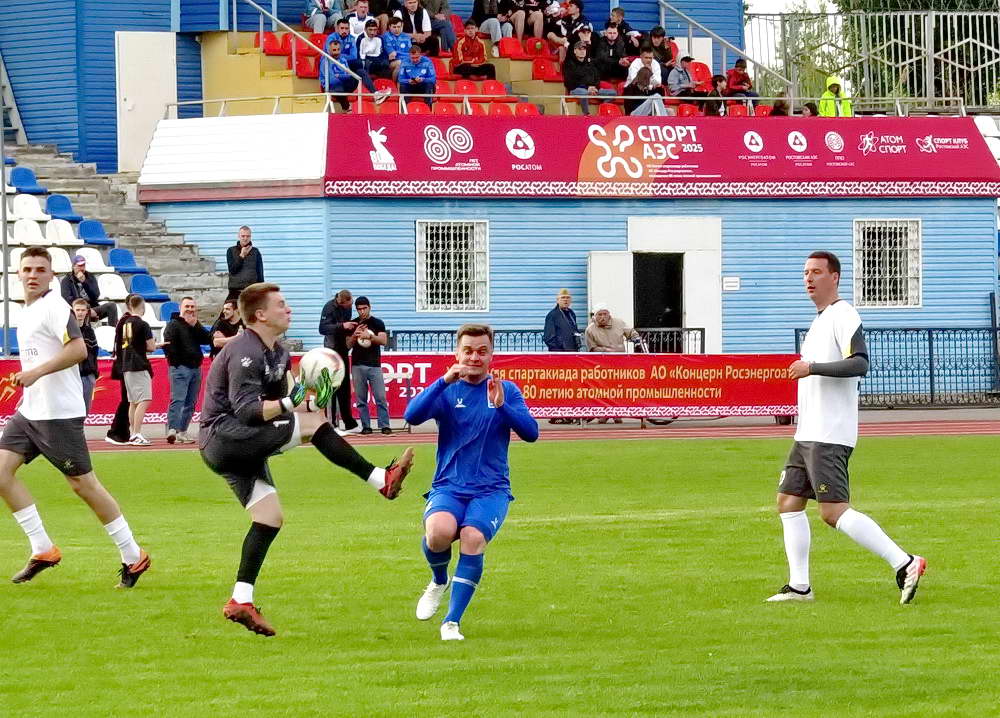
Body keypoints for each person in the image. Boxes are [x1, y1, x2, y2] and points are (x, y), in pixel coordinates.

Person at [200, 282, 415, 636]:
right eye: (281, 304)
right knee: (314, 425)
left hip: (238, 443)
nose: (289, 310)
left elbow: (283, 407)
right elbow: (250, 411)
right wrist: (295, 402)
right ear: (260, 315)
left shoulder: (278, 352)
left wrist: (311, 400)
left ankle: (241, 599)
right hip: (225, 437)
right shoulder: (244, 350)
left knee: (269, 518)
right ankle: (381, 480)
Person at [768, 251, 925, 605]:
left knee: (832, 511)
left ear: (834, 277)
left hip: (829, 433)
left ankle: (905, 562)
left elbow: (859, 363)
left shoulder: (844, 314)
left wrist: (812, 367)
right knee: (788, 502)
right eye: (805, 272)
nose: (809, 279)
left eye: (816, 272)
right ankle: (800, 587)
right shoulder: (819, 320)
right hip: (807, 433)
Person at [0, 246, 150, 587]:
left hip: (58, 414)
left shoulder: (55, 307)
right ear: (18, 273)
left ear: (51, 275)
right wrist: (32, 383)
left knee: (84, 485)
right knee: (1, 474)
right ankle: (43, 549)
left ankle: (133, 555)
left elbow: (78, 349)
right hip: (31, 411)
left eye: (40, 269)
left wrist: (36, 373)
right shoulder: (28, 310)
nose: (33, 275)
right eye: (28, 269)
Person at [405, 324, 538, 641]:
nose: (475, 357)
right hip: (449, 485)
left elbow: (531, 433)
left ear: (491, 355)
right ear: (457, 354)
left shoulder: (506, 390)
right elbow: (411, 416)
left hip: (491, 490)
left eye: (482, 351)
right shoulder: (447, 390)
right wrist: (442, 381)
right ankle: (439, 580)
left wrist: (503, 405)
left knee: (472, 537)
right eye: (468, 351)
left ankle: (451, 622)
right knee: (438, 534)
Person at [163, 296, 212, 445]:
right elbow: (168, 344)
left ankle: (182, 431)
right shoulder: (173, 324)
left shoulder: (195, 325)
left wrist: (195, 325)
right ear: (180, 308)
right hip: (180, 368)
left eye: (192, 307)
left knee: (190, 402)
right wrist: (176, 363)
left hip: (195, 368)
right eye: (187, 306)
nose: (190, 309)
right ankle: (172, 429)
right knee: (178, 399)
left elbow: (207, 339)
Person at [318, 289, 361, 435]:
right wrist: (342, 326)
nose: (350, 307)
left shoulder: (347, 307)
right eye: (348, 305)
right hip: (331, 351)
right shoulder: (329, 307)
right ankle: (332, 424)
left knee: (345, 388)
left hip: (342, 350)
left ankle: (348, 422)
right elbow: (322, 328)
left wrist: (353, 328)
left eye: (351, 304)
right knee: (332, 387)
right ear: (341, 302)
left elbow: (345, 328)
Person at [347, 296, 391, 435]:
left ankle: (385, 425)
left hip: (374, 365)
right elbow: (347, 345)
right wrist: (355, 335)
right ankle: (366, 426)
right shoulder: (353, 323)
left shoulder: (377, 323)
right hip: (357, 364)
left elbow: (383, 341)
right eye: (359, 309)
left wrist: (370, 336)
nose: (362, 312)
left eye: (364, 308)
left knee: (380, 397)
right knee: (361, 399)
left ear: (369, 307)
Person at [120, 293, 156, 447]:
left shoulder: (126, 322)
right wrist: (156, 344)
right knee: (144, 399)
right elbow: (151, 346)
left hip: (127, 364)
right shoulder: (143, 324)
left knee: (133, 401)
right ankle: (136, 433)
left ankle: (133, 433)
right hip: (139, 364)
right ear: (142, 306)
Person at [60, 254, 118, 326]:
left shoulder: (90, 277)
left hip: (93, 308)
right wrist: (86, 309)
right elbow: (67, 299)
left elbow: (95, 295)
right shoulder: (67, 280)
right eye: (79, 266)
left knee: (111, 306)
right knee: (79, 312)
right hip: (77, 310)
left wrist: (84, 283)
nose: (81, 268)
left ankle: (112, 330)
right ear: (73, 266)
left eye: (83, 265)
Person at [563, 41, 615, 115]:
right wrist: (587, 88)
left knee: (613, 93)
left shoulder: (590, 63)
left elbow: (597, 77)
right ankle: (586, 114)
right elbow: (569, 81)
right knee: (584, 93)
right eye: (580, 49)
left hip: (592, 89)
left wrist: (594, 87)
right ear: (575, 51)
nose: (582, 51)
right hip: (576, 89)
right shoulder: (569, 64)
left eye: (584, 49)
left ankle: (601, 110)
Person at [71, 298, 99, 415]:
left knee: (85, 409)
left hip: (87, 375)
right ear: (73, 311)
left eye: (83, 310)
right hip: (71, 375)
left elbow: (94, 353)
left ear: (87, 312)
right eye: (77, 310)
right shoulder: (67, 331)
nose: (80, 313)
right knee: (71, 408)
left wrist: (93, 374)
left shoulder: (90, 331)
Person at [226, 226, 264, 303]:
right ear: (238, 236)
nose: (245, 238)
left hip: (252, 291)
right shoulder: (231, 250)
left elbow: (260, 273)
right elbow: (232, 270)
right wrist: (242, 255)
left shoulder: (255, 251)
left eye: (248, 236)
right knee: (227, 309)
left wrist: (262, 290)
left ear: (250, 237)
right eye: (243, 236)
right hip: (235, 291)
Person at [382, 16, 413, 81]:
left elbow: (411, 53)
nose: (397, 29)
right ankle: (396, 84)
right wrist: (406, 56)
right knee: (400, 63)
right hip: (391, 62)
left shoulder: (406, 37)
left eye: (399, 27)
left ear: (402, 26)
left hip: (406, 60)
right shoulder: (386, 36)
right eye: (394, 27)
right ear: (389, 27)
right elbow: (392, 54)